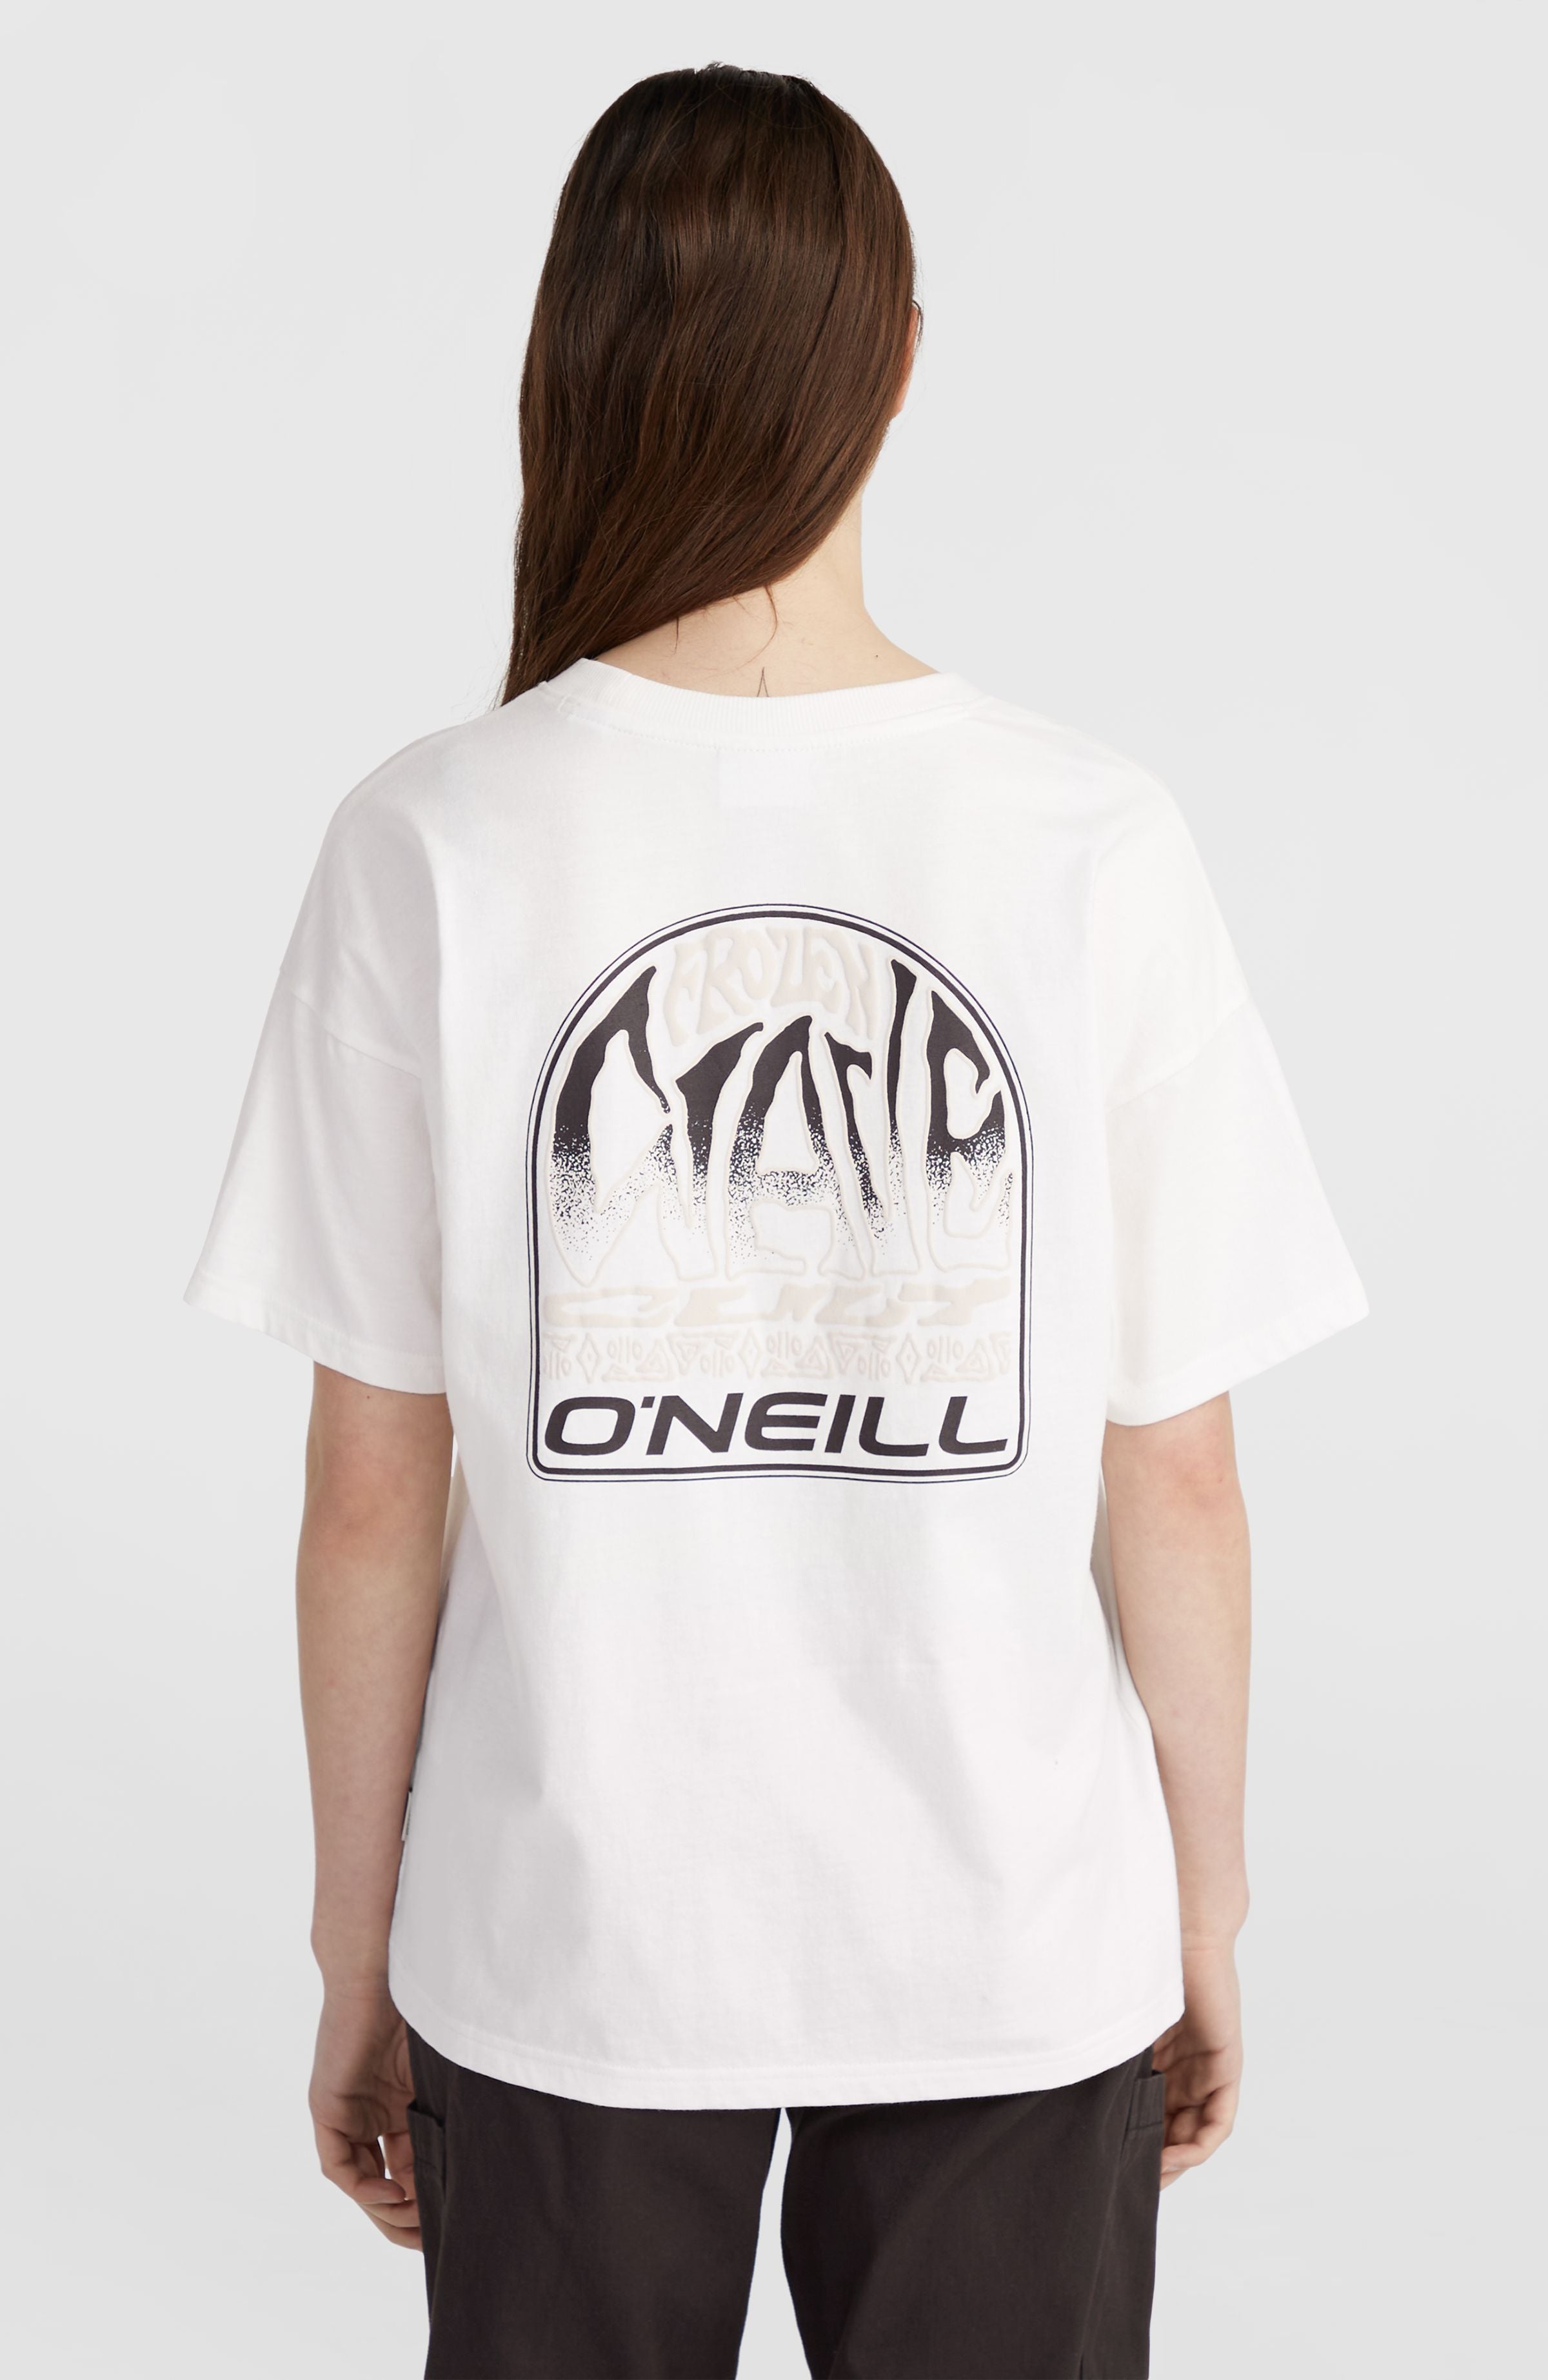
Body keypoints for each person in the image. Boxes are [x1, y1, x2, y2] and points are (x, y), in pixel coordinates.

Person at [188, 63, 1366, 2380]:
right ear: (899, 362)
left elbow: (369, 1486)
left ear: (571, 359)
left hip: (564, 1934)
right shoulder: (1089, 841)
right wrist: (1204, 1907)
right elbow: (1178, 1469)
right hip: (1011, 1934)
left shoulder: (435, 838)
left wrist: (357, 1951)